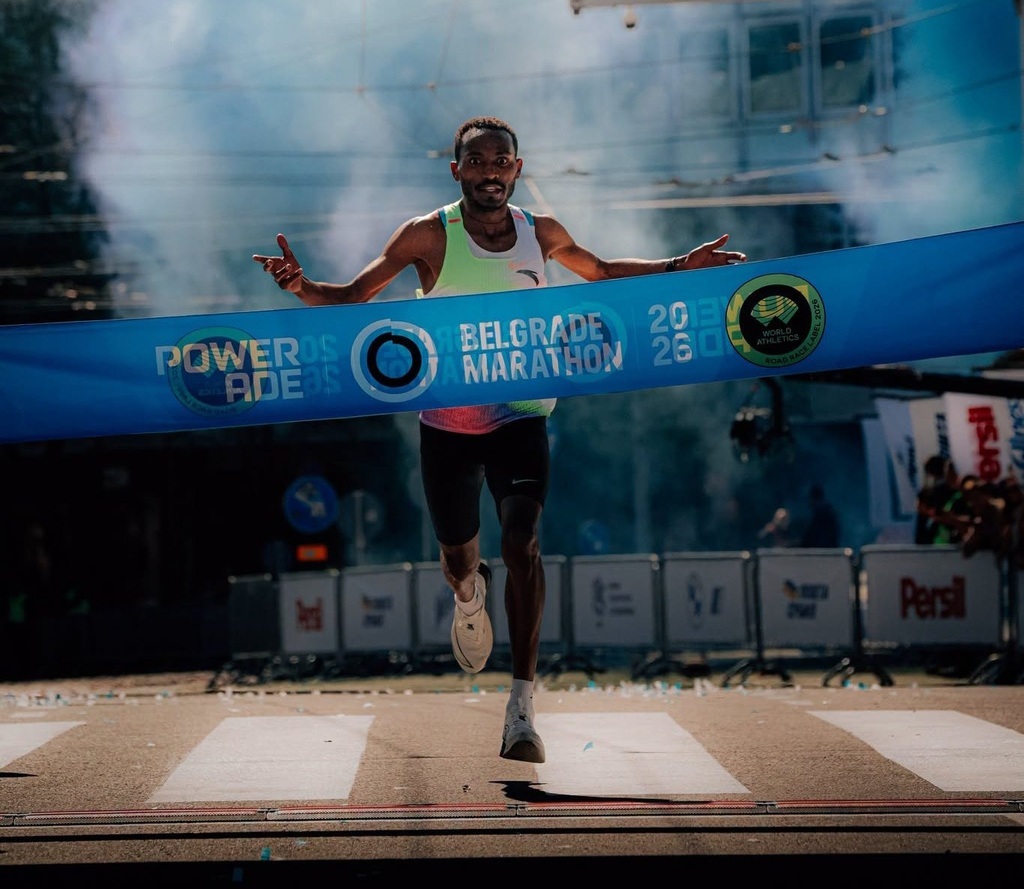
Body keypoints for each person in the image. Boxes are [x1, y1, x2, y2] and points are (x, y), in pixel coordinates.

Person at [254, 116, 746, 762]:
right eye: (478, 161)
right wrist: (301, 286)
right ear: (456, 170)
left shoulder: (541, 233)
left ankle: (521, 706)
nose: (490, 171)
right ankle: (468, 595)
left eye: (501, 161)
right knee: (461, 561)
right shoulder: (428, 234)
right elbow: (352, 295)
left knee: (522, 541)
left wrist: (681, 265)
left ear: (517, 169)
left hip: (521, 410)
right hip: (447, 422)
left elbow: (601, 271)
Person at [800, 482, 840, 547]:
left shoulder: (821, 513)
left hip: (823, 549)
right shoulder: (828, 511)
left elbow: (811, 536)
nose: (808, 502)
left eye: (809, 498)